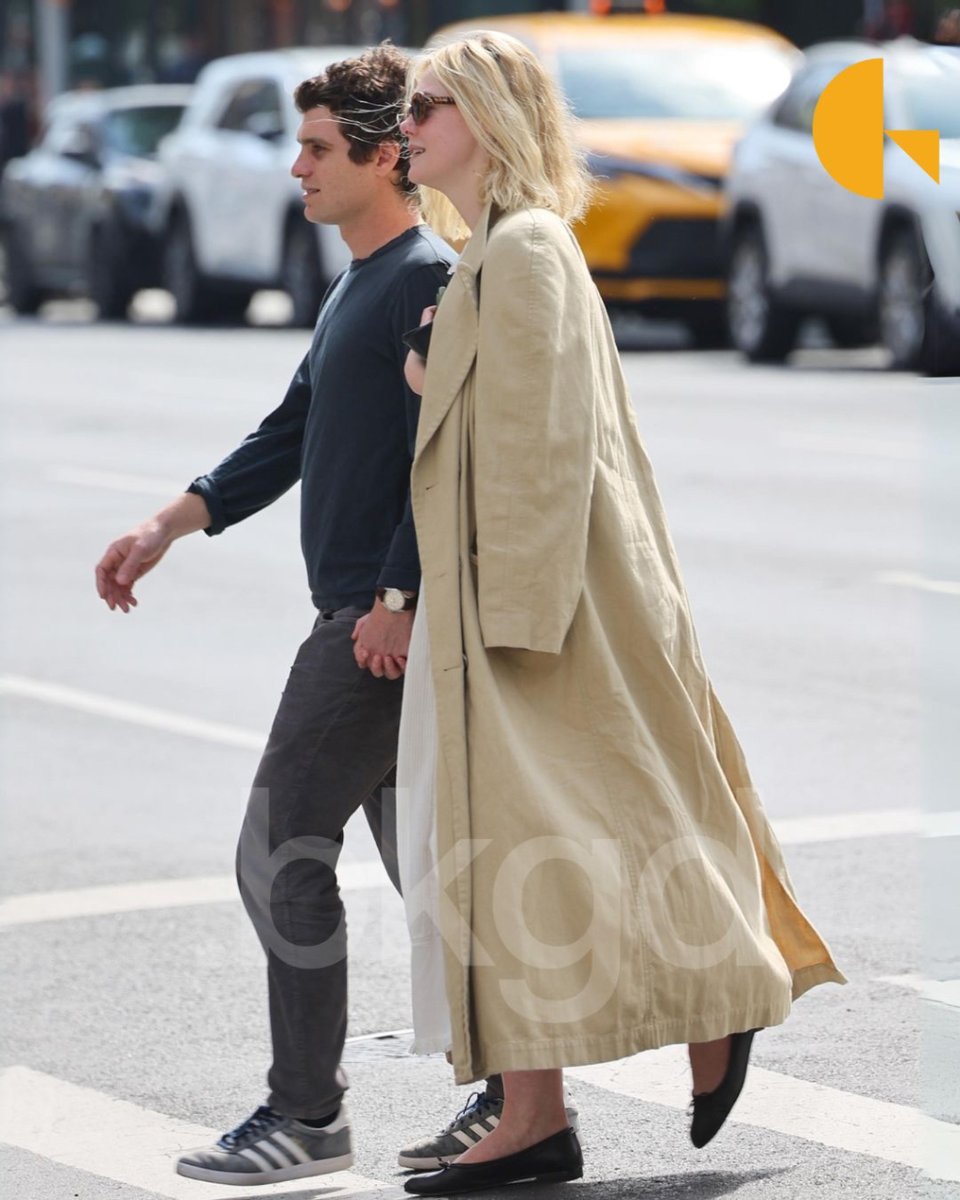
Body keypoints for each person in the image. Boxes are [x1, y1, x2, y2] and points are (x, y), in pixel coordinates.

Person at [391, 32, 846, 1196]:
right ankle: (536, 1114)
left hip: (535, 611)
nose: (408, 123)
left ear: (490, 114)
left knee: (592, 826)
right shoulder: (493, 249)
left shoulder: (528, 250)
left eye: (429, 104)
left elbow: (547, 450)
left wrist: (515, 629)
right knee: (511, 859)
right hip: (498, 602)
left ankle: (718, 1001)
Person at [95, 44, 462, 1186]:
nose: (293, 166)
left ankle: (308, 1113)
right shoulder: (362, 278)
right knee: (430, 874)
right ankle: (517, 1096)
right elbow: (293, 429)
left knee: (278, 856)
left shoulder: (425, 277)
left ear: (384, 154)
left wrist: (395, 596)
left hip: (372, 625)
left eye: (314, 148)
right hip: (371, 616)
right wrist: (169, 522)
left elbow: (442, 454)